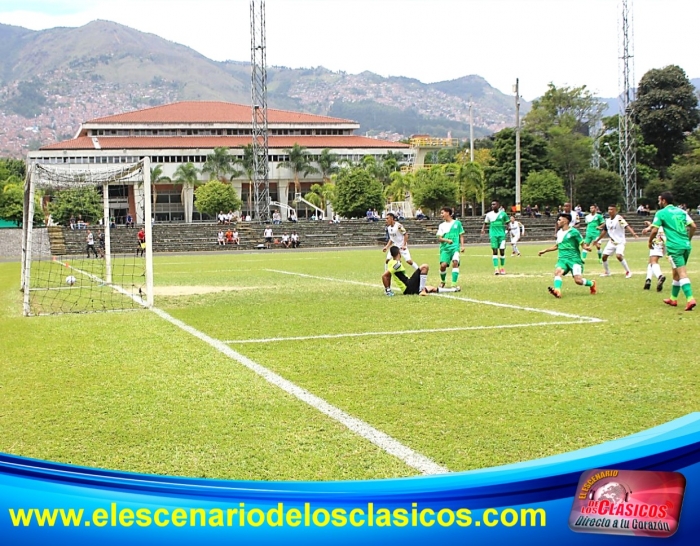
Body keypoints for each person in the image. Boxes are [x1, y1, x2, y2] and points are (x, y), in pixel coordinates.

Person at [648, 191, 697, 311]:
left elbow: (654, 231)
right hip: (686, 245)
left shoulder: (661, 213)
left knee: (681, 272)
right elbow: (693, 226)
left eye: (660, 200)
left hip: (675, 247)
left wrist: (650, 242)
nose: (659, 202)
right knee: (675, 271)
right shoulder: (681, 211)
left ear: (664, 201)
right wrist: (688, 239)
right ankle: (673, 298)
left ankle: (690, 298)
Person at [538, 213, 597, 298]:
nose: (557, 222)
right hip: (562, 259)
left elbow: (582, 244)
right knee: (557, 272)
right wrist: (545, 250)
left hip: (574, 259)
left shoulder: (574, 232)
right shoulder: (559, 233)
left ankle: (592, 283)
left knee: (578, 281)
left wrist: (586, 248)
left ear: (566, 221)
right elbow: (557, 246)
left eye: (559, 220)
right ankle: (557, 290)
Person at [382, 246, 461, 296]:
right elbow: (385, 276)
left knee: (431, 288)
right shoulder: (397, 264)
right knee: (424, 267)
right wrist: (388, 290)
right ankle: (421, 290)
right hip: (408, 287)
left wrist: (388, 289)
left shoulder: (390, 262)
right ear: (399, 253)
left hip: (408, 288)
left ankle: (454, 289)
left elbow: (388, 276)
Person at [594, 205, 638, 278]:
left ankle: (628, 271)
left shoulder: (619, 219)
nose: (610, 211)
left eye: (612, 209)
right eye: (609, 209)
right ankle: (607, 272)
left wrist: (633, 233)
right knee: (604, 257)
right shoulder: (607, 221)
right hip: (612, 242)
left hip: (620, 242)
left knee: (619, 256)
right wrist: (597, 240)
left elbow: (627, 226)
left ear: (615, 211)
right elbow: (604, 231)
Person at [437, 206, 465, 287]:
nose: (441, 215)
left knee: (455, 262)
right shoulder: (441, 225)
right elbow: (439, 238)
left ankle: (454, 284)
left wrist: (462, 246)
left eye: (442, 213)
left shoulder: (457, 223)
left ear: (448, 213)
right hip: (445, 249)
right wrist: (447, 240)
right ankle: (443, 281)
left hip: (455, 247)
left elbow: (461, 235)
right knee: (443, 266)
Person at [481, 200, 509, 275]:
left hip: (502, 235)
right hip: (493, 235)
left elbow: (507, 222)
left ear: (498, 205)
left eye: (494, 204)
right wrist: (483, 229)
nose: (493, 206)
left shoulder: (503, 214)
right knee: (495, 251)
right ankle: (496, 269)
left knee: (502, 251)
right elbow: (485, 223)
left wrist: (507, 229)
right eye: (492, 204)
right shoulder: (489, 214)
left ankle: (502, 268)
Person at [641, 221, 667, 292]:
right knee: (651, 261)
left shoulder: (661, 214)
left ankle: (660, 276)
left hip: (659, 240)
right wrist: (649, 226)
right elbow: (656, 224)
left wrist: (649, 240)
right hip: (667, 241)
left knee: (653, 262)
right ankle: (648, 280)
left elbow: (655, 229)